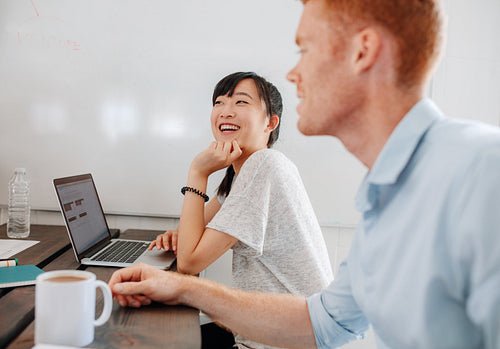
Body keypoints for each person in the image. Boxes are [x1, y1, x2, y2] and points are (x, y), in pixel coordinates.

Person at [109, 0, 500, 348]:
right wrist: (180, 287)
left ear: (362, 52)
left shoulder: (482, 169)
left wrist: (186, 282)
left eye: (304, 49)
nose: (293, 74)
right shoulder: (383, 193)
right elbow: (327, 324)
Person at [149, 71, 333, 349]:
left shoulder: (264, 166)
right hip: (281, 333)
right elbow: (192, 237)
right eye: (219, 102)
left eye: (241, 103)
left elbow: (189, 262)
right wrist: (178, 235)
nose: (226, 112)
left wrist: (198, 172)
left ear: (270, 122)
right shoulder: (242, 173)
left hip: (282, 342)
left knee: (152, 339)